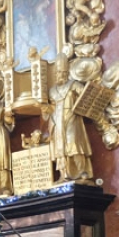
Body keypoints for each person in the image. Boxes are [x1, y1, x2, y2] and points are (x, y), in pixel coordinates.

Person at [42, 52, 93, 182]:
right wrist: (47, 110)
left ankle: (82, 171)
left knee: (74, 144)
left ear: (67, 72)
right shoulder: (52, 91)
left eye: (63, 72)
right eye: (58, 73)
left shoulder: (73, 84)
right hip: (56, 121)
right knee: (61, 149)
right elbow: (49, 110)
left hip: (71, 118)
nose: (61, 75)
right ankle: (63, 175)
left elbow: (86, 94)